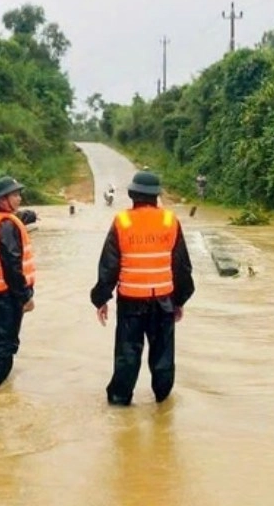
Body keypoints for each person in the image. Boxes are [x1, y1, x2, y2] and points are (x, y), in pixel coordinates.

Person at [90, 170, 195, 406]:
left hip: (131, 303)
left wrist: (101, 298)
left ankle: (119, 402)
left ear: (132, 194)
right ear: (156, 196)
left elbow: (109, 265)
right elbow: (182, 266)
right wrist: (179, 300)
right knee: (163, 356)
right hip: (163, 301)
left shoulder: (122, 222)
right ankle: (162, 401)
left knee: (127, 355)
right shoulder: (170, 221)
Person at [0, 175, 38, 389]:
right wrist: (25, 297)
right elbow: (12, 266)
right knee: (6, 346)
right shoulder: (6, 226)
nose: (20, 198)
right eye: (15, 195)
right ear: (3, 200)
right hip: (7, 296)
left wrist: (26, 216)